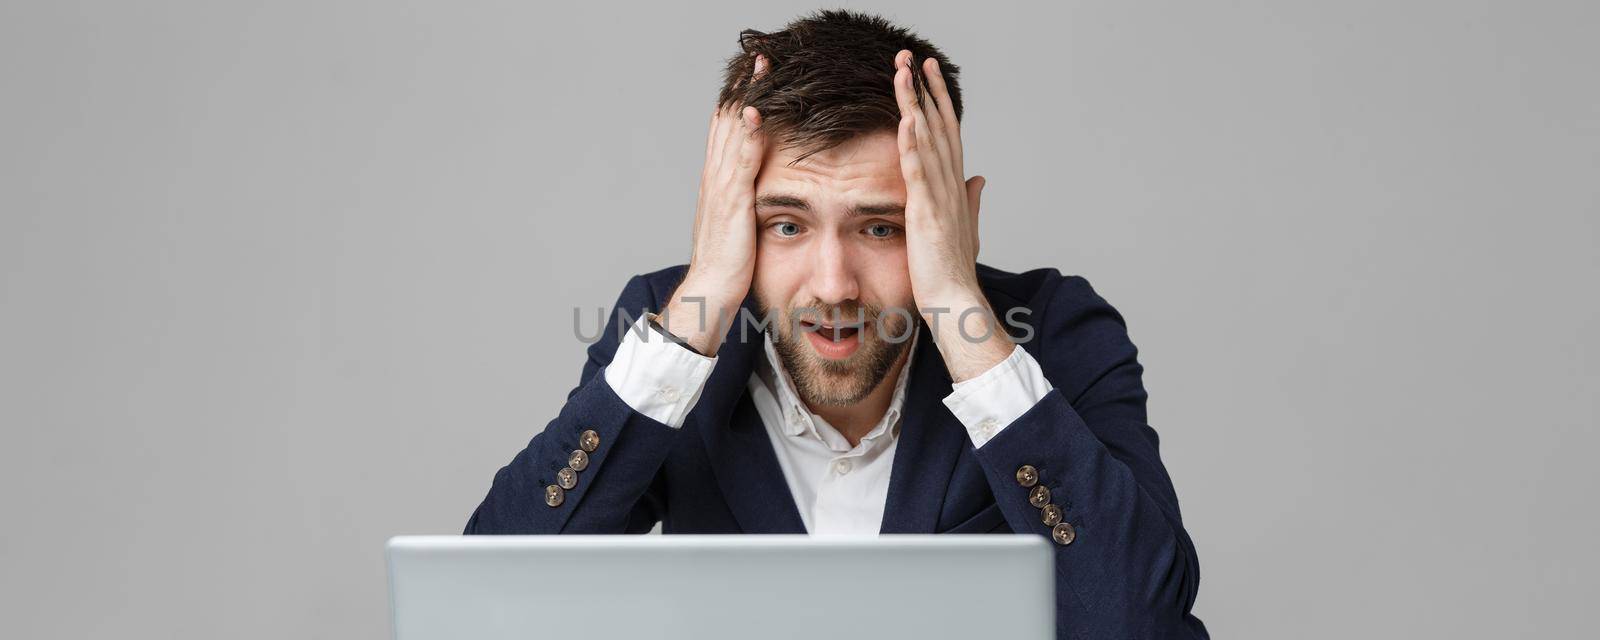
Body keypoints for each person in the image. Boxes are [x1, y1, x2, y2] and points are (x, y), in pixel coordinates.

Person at [466, 10, 1208, 638]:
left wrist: (957, 307)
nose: (832, 285)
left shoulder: (1053, 331)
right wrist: (696, 316)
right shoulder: (671, 330)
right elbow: (487, 607)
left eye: (882, 229)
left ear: (958, 221)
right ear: (728, 221)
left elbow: (1144, 620)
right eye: (785, 225)